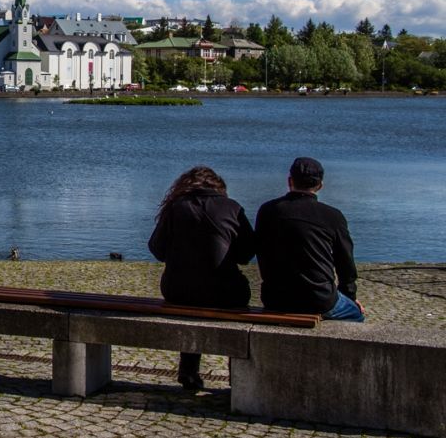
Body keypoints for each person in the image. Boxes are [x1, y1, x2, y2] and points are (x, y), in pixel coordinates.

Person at [148, 166, 255, 390]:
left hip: (177, 290)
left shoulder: (176, 208)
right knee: (229, 296)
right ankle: (235, 372)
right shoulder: (232, 208)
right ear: (218, 187)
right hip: (225, 292)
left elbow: (157, 250)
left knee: (193, 294)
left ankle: (188, 369)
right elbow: (247, 254)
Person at [255, 157, 363, 321]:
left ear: (290, 181)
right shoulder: (332, 216)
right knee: (356, 315)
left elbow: (260, 250)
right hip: (318, 299)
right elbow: (345, 263)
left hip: (275, 298)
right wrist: (349, 296)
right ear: (320, 185)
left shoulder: (267, 210)